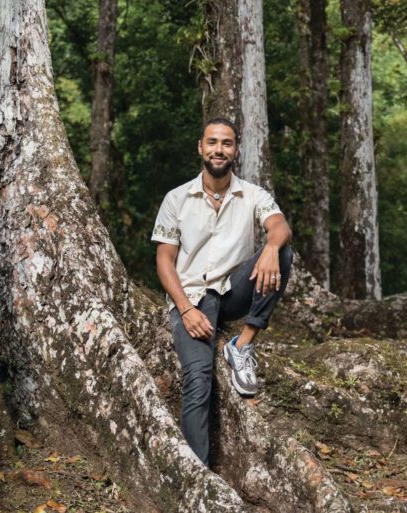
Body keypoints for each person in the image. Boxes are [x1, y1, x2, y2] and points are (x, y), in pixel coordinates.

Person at [151, 117, 293, 466]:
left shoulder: (253, 194)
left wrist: (272, 248)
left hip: (232, 292)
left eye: (226, 143)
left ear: (236, 150)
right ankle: (197, 474)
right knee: (198, 379)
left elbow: (279, 226)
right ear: (201, 147)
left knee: (283, 249)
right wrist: (185, 308)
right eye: (212, 142)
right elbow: (165, 261)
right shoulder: (177, 198)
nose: (219, 149)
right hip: (193, 298)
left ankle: (241, 345)